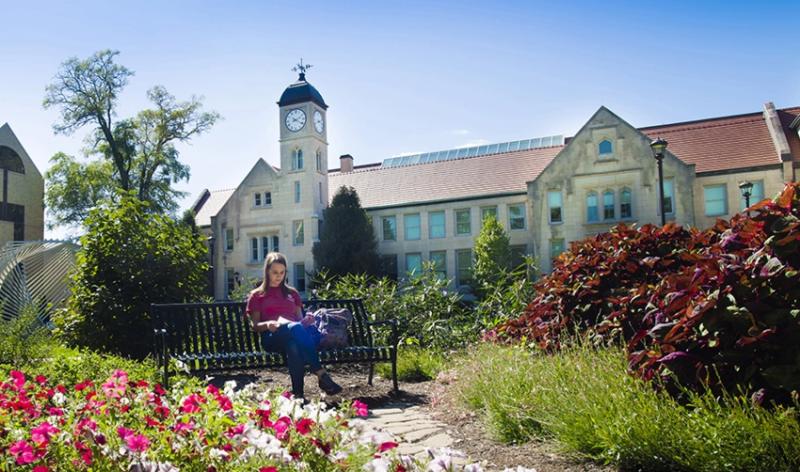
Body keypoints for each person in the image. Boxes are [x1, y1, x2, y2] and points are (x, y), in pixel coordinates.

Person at [246, 252, 342, 399]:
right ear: (267, 271)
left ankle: (299, 396)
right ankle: (320, 373)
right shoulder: (257, 295)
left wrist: (307, 321)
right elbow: (255, 325)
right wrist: (268, 324)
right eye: (275, 272)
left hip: (293, 333)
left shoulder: (292, 293)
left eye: (282, 272)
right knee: (295, 329)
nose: (278, 276)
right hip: (272, 337)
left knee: (293, 344)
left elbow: (299, 320)